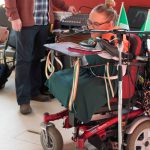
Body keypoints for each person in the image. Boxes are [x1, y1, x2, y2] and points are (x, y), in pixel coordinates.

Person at [45, 1, 129, 123]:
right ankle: (72, 106)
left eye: (96, 24)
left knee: (76, 89)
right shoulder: (97, 37)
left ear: (110, 24)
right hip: (90, 72)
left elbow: (120, 66)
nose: (90, 27)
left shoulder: (117, 40)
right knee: (57, 77)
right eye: (89, 22)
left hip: (105, 80)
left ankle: (78, 109)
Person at [4, 0, 77, 115]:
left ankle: (34, 92)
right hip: (25, 21)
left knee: (37, 58)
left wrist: (67, 7)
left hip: (43, 22)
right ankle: (23, 100)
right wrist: (14, 17)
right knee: (24, 61)